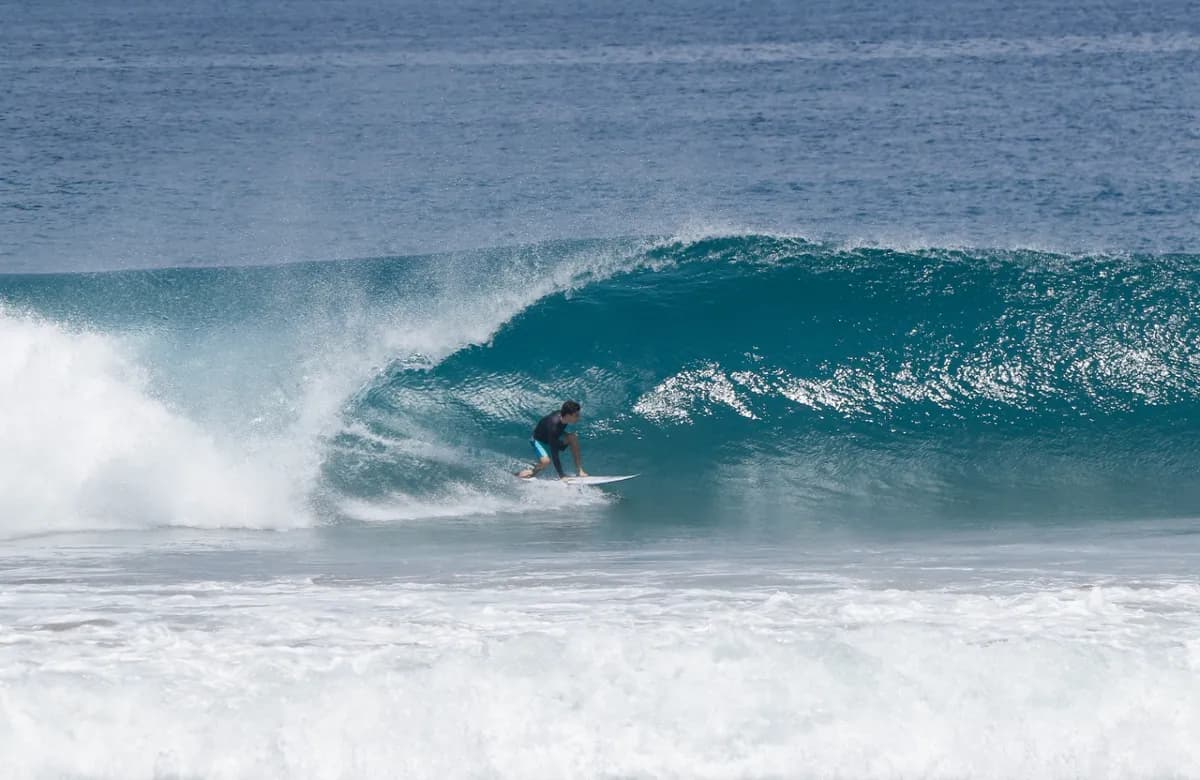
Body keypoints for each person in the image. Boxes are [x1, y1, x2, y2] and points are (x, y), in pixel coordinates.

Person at [515, 400, 588, 479]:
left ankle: (579, 470)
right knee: (546, 462)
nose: (578, 418)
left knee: (573, 437)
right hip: (539, 441)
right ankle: (532, 471)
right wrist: (562, 476)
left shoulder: (564, 417)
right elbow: (554, 453)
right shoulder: (554, 425)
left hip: (553, 437)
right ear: (568, 415)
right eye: (576, 415)